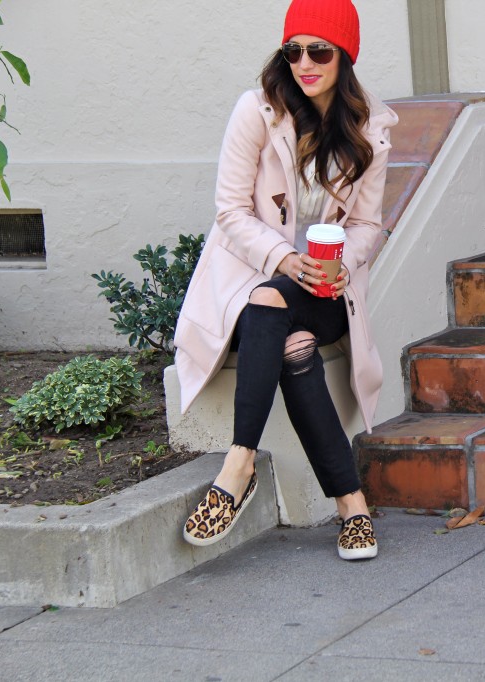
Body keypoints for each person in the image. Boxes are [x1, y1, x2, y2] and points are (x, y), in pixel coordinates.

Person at [172, 0, 397, 560]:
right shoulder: (257, 111)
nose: (305, 63)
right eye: (293, 50)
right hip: (255, 279)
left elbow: (368, 225)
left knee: (284, 311)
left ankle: (238, 467)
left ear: (344, 56)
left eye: (318, 50)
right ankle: (349, 504)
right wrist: (279, 257)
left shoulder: (369, 127)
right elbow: (229, 210)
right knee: (288, 336)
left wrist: (345, 262)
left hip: (324, 286)